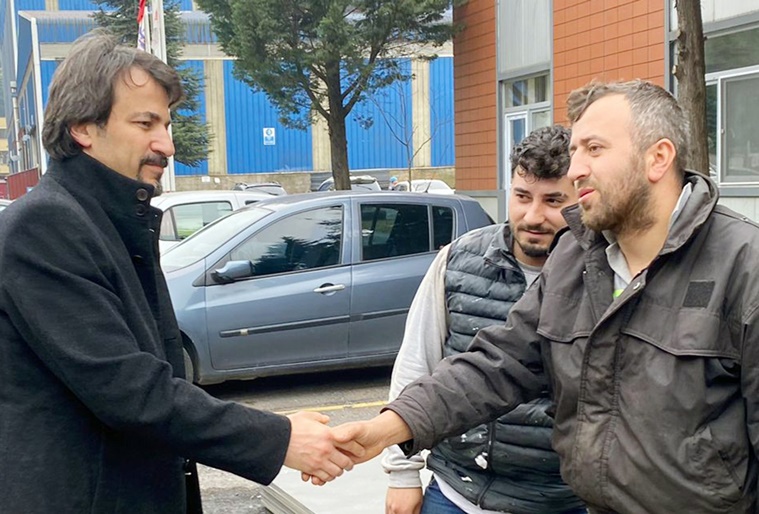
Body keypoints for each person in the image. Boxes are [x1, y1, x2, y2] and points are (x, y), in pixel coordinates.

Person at [332, 79, 759, 514]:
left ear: (658, 158)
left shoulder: (745, 266)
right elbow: (499, 365)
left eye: (594, 149)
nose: (576, 169)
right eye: (575, 151)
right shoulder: (576, 254)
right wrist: (388, 429)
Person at [0, 31, 359, 514]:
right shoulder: (46, 226)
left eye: (166, 124)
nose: (166, 144)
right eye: (145, 123)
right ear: (83, 128)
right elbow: (129, 390)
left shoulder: (110, 218)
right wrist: (280, 439)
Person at [382, 125, 584, 514]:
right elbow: (415, 366)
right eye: (522, 196)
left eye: (553, 200)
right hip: (457, 493)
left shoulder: (602, 274)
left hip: (561, 500)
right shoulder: (457, 260)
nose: (533, 215)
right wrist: (402, 474)